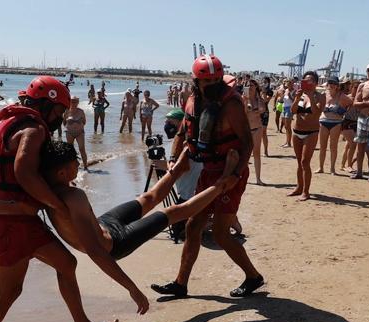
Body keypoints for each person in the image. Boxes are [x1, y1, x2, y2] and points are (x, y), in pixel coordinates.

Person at [0, 76, 121, 322]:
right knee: (10, 290)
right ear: (49, 105)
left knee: (66, 264)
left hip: (14, 222)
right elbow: (25, 173)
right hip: (11, 227)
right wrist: (57, 204)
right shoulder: (34, 128)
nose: (59, 119)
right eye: (59, 111)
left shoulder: (7, 123)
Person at [42, 141, 240, 303]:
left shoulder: (45, 191)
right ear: (61, 172)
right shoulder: (73, 197)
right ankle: (223, 182)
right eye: (74, 163)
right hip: (116, 243)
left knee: (148, 197)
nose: (78, 164)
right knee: (173, 212)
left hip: (103, 224)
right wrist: (132, 289)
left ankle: (179, 168)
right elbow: (95, 251)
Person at [150, 55, 263, 298]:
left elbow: (246, 143)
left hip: (229, 172)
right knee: (193, 226)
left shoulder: (231, 104)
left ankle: (253, 277)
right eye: (206, 81)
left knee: (221, 233)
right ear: (196, 81)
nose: (212, 85)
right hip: (207, 170)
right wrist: (174, 158)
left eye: (215, 80)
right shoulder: (192, 101)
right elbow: (181, 133)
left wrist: (233, 175)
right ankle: (181, 284)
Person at [289, 71, 324, 201]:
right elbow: (293, 111)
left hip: (311, 132)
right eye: (305, 80)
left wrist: (310, 97)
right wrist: (297, 98)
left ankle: (306, 191)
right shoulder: (300, 95)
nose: (308, 83)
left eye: (310, 81)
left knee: (305, 161)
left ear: (315, 83)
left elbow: (316, 113)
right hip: (297, 131)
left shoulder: (320, 96)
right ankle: (299, 187)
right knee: (299, 162)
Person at [317, 76, 353, 175]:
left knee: (333, 146)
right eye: (330, 83)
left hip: (336, 122)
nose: (332, 85)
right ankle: (321, 167)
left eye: (334, 83)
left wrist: (344, 111)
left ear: (337, 86)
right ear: (327, 84)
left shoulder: (341, 96)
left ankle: (332, 169)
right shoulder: (324, 94)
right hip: (323, 121)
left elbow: (351, 103)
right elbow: (318, 105)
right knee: (322, 146)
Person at [244, 79, 265, 185]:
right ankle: (243, 178)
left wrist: (256, 109)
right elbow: (243, 112)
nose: (250, 87)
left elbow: (262, 109)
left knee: (256, 153)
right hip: (246, 130)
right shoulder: (243, 98)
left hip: (257, 128)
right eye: (247, 85)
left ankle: (258, 178)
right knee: (245, 155)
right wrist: (246, 100)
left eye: (251, 85)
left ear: (256, 87)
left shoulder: (259, 99)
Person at [62, 96, 88, 169]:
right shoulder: (66, 111)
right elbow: (64, 123)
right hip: (69, 133)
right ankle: (72, 166)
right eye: (72, 101)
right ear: (69, 102)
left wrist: (78, 125)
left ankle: (86, 167)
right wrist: (70, 126)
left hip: (80, 133)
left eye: (75, 101)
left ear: (78, 102)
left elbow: (84, 122)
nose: (73, 103)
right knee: (70, 149)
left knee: (82, 148)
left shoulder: (81, 111)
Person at [340, 78, 359, 172]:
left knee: (348, 145)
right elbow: (342, 110)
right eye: (356, 87)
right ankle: (349, 165)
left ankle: (343, 165)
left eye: (359, 88)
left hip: (356, 123)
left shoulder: (360, 99)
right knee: (352, 144)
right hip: (347, 122)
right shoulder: (348, 98)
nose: (357, 89)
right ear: (351, 88)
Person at [280, 79, 295, 147]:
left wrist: (290, 96)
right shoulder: (285, 90)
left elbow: (294, 101)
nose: (288, 85)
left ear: (292, 84)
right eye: (287, 84)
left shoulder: (294, 91)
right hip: (284, 107)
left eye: (290, 83)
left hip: (289, 108)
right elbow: (282, 100)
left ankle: (289, 143)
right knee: (286, 126)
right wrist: (282, 95)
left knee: (288, 126)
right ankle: (287, 141)